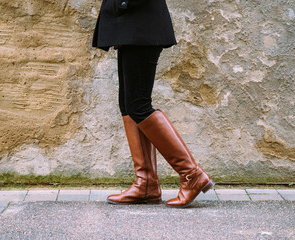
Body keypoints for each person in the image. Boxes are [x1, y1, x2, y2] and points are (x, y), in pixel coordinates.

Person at [92, 0, 215, 208]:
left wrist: (123, 3)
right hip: (132, 27)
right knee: (129, 106)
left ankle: (191, 174)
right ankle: (145, 184)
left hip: (140, 26)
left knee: (138, 106)